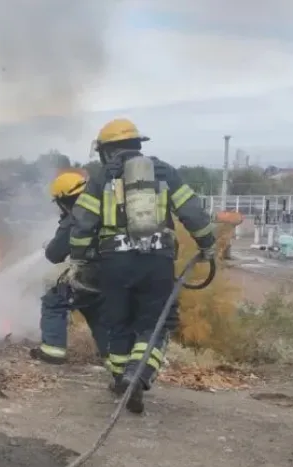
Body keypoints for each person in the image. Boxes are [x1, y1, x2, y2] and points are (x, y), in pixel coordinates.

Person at [68, 118, 216, 413]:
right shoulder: (163, 172)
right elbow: (192, 213)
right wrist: (207, 245)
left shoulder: (100, 178)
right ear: (137, 145)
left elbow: (83, 223)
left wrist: (80, 259)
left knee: (118, 323)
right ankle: (138, 375)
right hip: (156, 261)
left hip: (114, 263)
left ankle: (122, 377)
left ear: (106, 150)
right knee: (155, 322)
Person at [30, 170, 108, 365]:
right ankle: (111, 353)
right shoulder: (105, 210)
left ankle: (53, 351)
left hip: (88, 272)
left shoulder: (75, 217)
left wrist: (50, 246)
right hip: (110, 273)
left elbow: (54, 255)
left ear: (63, 200)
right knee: (95, 307)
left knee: (54, 299)